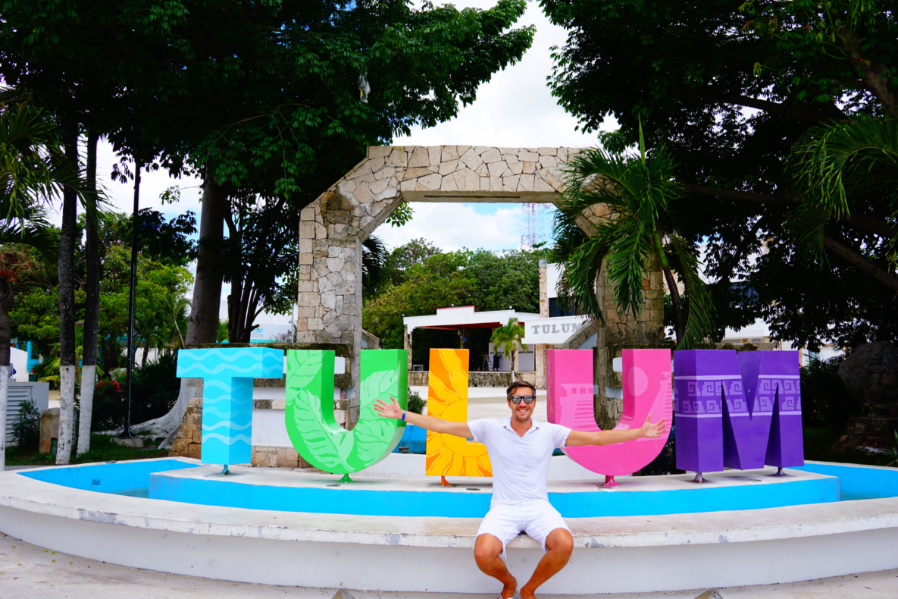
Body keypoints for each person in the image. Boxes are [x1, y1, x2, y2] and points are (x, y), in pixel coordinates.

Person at [374, 380, 667, 599]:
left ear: (534, 402)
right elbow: (443, 425)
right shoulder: (491, 428)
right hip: (503, 508)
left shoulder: (550, 432)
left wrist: (640, 432)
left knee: (564, 544)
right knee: (483, 554)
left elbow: (598, 439)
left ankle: (528, 590)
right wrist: (403, 415)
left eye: (527, 398)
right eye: (517, 399)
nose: (522, 403)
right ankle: (509, 583)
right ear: (510, 403)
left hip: (538, 507)